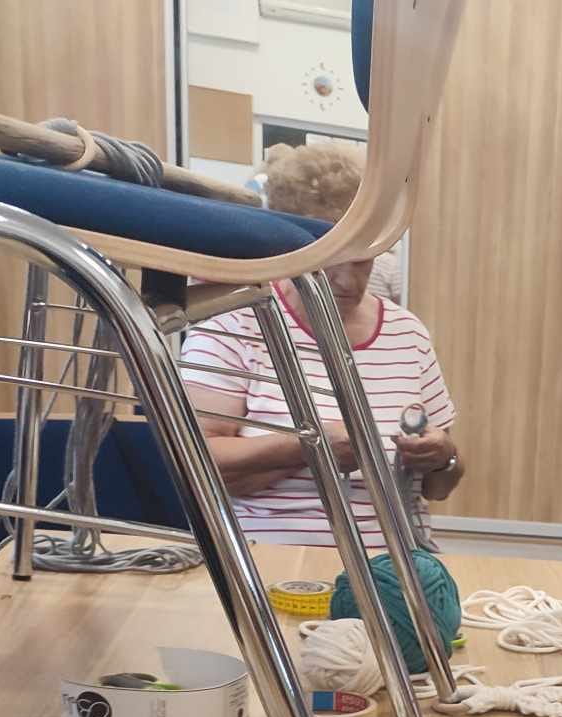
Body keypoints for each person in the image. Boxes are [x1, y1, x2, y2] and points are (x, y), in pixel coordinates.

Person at [183, 142, 460, 548]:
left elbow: (439, 487)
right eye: (330, 261)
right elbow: (192, 463)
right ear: (289, 249)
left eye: (363, 260)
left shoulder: (408, 333)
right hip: (272, 566)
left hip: (396, 564)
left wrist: (444, 457)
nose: (348, 281)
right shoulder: (236, 322)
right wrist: (308, 446)